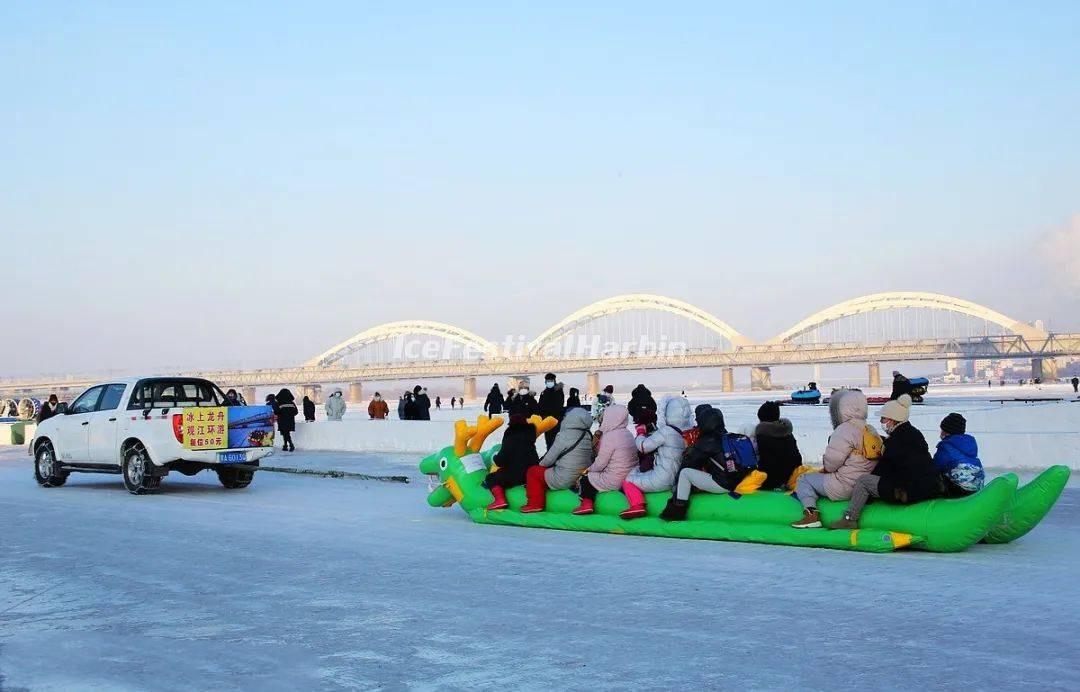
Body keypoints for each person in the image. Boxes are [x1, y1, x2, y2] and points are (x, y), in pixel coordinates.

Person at [830, 395, 944, 529]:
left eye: (883, 418)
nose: (881, 421)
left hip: (908, 490)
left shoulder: (895, 442)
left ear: (892, 420)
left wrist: (868, 495)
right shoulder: (913, 433)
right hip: (929, 486)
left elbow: (883, 469)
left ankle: (850, 519)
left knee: (863, 481)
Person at [791, 389, 878, 528]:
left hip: (843, 486)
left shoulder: (845, 429)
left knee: (804, 480)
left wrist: (826, 468)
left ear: (843, 408)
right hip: (862, 488)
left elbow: (832, 464)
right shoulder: (871, 430)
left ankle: (811, 515)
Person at [660, 406, 750, 520]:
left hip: (725, 484)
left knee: (685, 473)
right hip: (740, 481)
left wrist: (675, 486)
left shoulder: (706, 442)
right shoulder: (728, 437)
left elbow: (689, 463)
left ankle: (677, 510)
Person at [622, 396, 691, 519]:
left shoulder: (666, 431)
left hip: (661, 478)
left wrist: (640, 433)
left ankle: (637, 505)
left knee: (628, 480)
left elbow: (643, 446)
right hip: (675, 480)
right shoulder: (685, 435)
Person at [521, 408, 595, 513]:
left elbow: (549, 459)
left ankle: (535, 504)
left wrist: (540, 465)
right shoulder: (587, 435)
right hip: (580, 477)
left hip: (564, 478)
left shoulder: (564, 435)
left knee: (533, 472)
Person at [573, 404, 637, 515]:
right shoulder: (628, 434)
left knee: (586, 479)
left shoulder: (609, 436)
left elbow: (600, 464)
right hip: (629, 477)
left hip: (614, 479)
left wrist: (588, 470)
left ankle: (586, 504)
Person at [483, 415, 540, 510]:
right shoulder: (529, 438)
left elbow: (500, 461)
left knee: (491, 478)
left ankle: (500, 500)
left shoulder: (510, 438)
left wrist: (495, 458)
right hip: (531, 474)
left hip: (516, 475)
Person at [753, 400, 803, 490]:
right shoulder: (787, 432)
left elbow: (758, 460)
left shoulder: (762, 436)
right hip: (793, 475)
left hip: (771, 480)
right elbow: (797, 458)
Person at [932, 413, 985, 497]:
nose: (941, 433)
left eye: (943, 430)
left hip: (960, 490)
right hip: (976, 485)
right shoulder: (969, 444)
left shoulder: (946, 447)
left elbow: (935, 467)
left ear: (948, 432)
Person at [537, 373, 565, 449]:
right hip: (546, 421)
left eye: (550, 380)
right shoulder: (544, 392)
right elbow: (540, 405)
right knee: (549, 441)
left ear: (554, 381)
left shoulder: (558, 391)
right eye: (547, 381)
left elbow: (558, 406)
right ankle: (550, 456)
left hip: (556, 420)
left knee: (556, 441)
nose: (549, 382)